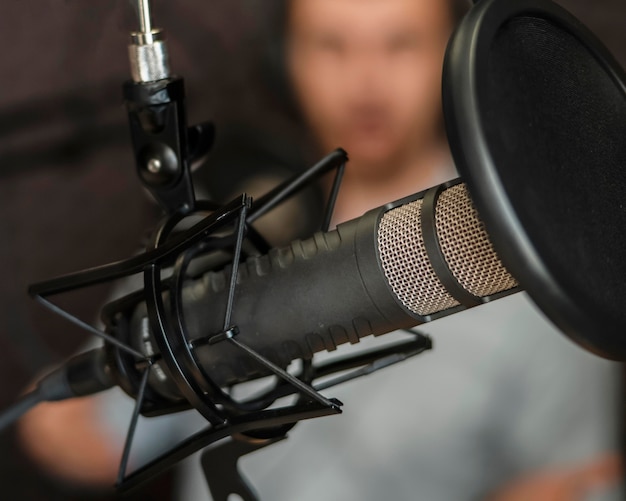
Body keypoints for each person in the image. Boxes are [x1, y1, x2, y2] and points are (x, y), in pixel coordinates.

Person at [18, 0, 622, 499]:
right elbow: (90, 440)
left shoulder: (540, 247)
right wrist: (67, 415)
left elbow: (569, 479)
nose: (365, 82)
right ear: (287, 61)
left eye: (399, 43)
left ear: (449, 48)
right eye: (333, 45)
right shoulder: (226, 217)